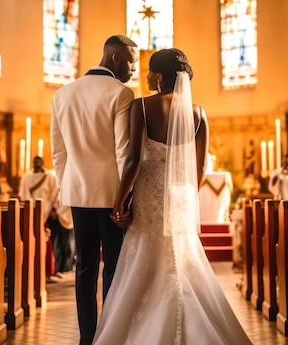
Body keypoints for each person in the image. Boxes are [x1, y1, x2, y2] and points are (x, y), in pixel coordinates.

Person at [93, 48, 253, 345]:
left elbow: (132, 161)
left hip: (149, 198)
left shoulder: (141, 106)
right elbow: (201, 166)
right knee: (181, 259)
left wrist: (119, 202)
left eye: (150, 72)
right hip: (180, 199)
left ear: (161, 77)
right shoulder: (199, 112)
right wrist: (186, 195)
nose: (146, 76)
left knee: (146, 260)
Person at [50, 34, 138, 345]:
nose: (132, 69)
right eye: (130, 62)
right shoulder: (121, 93)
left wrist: (69, 185)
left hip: (77, 192)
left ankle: (87, 338)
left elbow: (58, 154)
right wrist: (123, 200)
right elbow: (122, 151)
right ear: (115, 58)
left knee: (84, 266)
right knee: (114, 264)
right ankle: (110, 336)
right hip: (111, 195)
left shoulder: (62, 94)